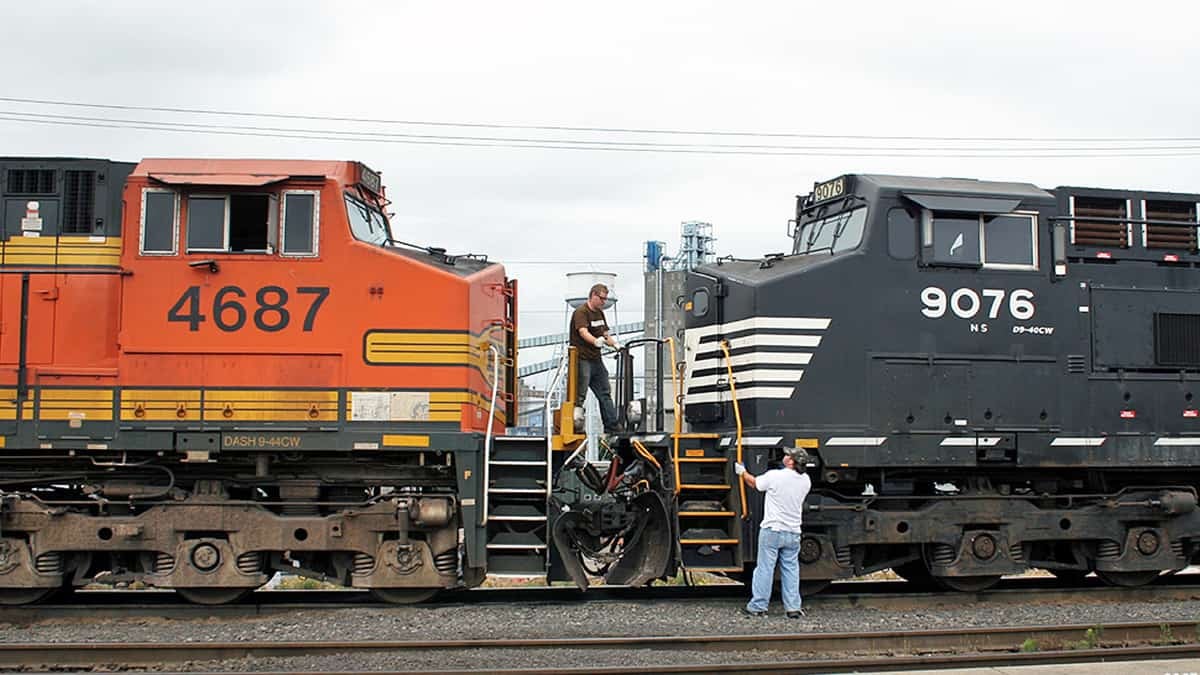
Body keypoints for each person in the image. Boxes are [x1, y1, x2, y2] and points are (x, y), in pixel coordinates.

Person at [735, 447, 813, 618]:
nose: (785, 457)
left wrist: (742, 472)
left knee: (764, 569)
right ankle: (793, 608)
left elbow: (754, 483)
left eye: (788, 455)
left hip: (772, 530)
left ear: (791, 462)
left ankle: (758, 606)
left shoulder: (775, 476)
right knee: (791, 569)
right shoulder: (806, 480)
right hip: (793, 532)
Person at [569, 283, 620, 433]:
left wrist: (615, 344)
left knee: (605, 392)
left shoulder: (599, 313)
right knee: (579, 395)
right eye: (601, 299)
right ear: (593, 296)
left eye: (605, 299)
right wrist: (595, 341)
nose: (603, 302)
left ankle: (612, 425)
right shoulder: (581, 312)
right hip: (582, 359)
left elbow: (605, 334)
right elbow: (583, 332)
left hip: (596, 360)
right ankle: (576, 427)